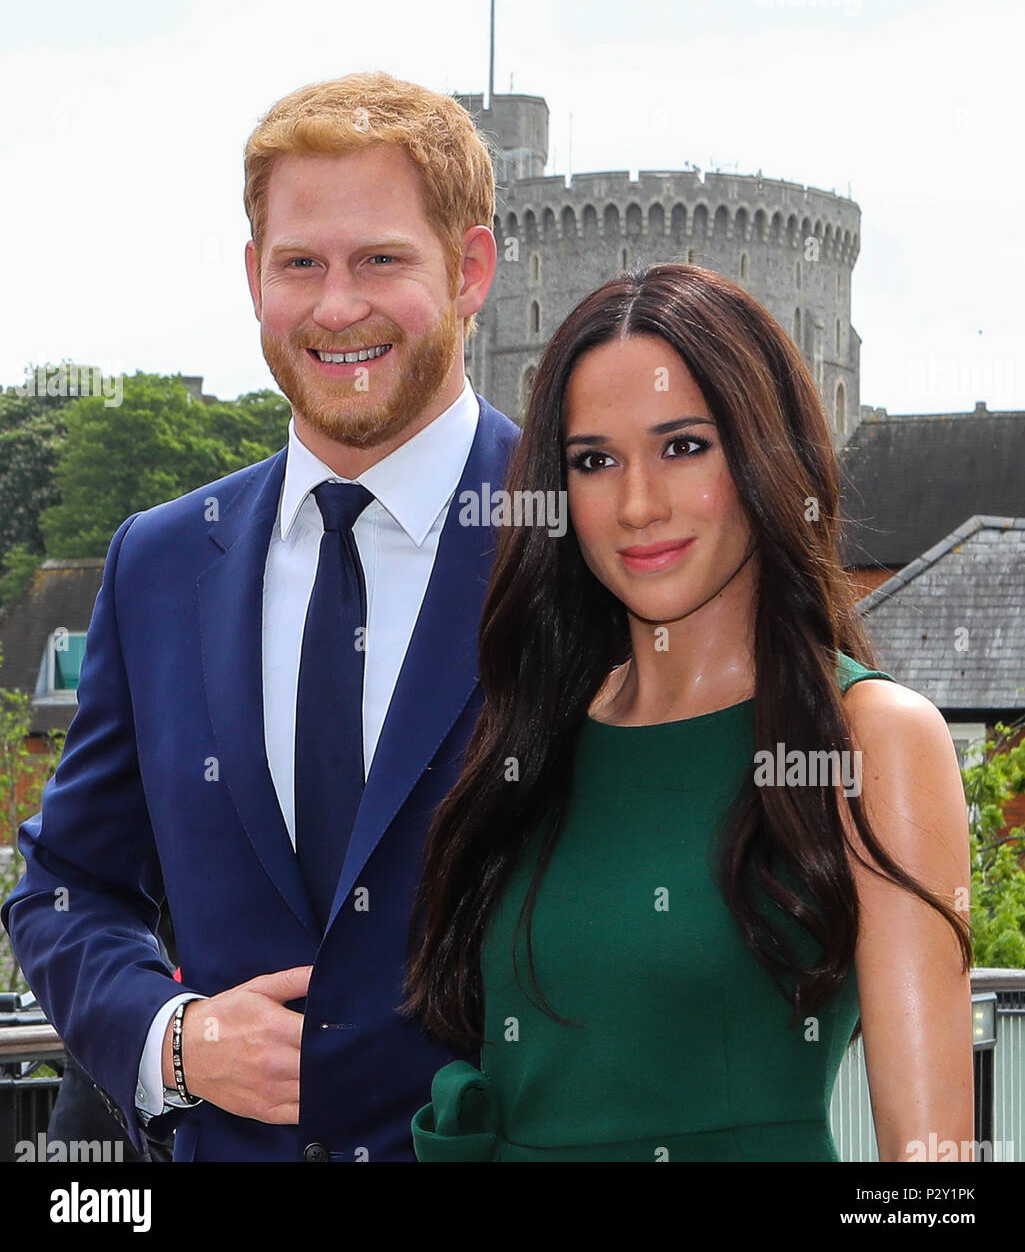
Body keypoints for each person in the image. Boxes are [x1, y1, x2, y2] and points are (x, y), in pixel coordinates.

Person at [2, 71, 519, 1161]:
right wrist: (170, 1039)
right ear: (253, 278)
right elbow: (64, 886)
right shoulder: (158, 562)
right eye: (300, 264)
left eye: (380, 259)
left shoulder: (575, 534)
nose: (337, 307)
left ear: (469, 270)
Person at [404, 263, 974, 1162]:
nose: (638, 506)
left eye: (682, 447)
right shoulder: (526, 732)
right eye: (594, 461)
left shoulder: (872, 740)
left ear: (762, 453)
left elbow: (929, 1167)